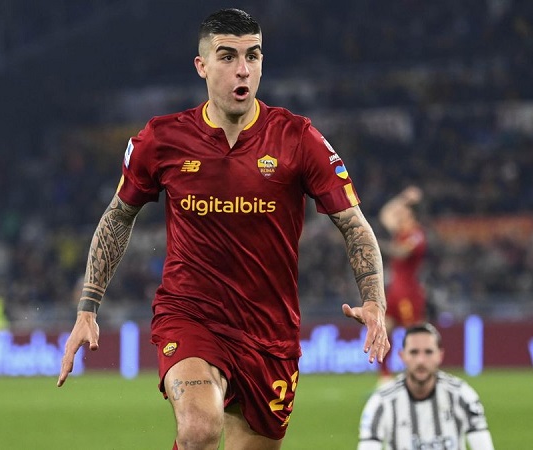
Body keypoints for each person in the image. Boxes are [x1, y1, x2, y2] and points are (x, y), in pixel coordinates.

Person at [57, 8, 390, 450]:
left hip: (269, 332)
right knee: (199, 428)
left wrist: (375, 300)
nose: (243, 69)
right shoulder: (162, 139)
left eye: (253, 55)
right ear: (202, 65)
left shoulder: (298, 138)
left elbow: (354, 225)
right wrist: (88, 308)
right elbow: (118, 217)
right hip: (190, 315)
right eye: (228, 56)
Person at [358, 323, 495, 450]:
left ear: (440, 355)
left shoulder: (462, 396)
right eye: (414, 352)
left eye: (428, 352)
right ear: (402, 356)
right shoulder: (381, 402)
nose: (421, 360)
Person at [377, 185, 427, 379]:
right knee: (383, 330)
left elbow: (401, 252)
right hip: (394, 292)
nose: (398, 213)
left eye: (403, 211)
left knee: (414, 336)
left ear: (411, 216)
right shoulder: (400, 232)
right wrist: (404, 198)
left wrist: (376, 245)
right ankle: (385, 377)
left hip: (409, 292)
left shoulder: (416, 235)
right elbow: (385, 213)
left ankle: (418, 375)